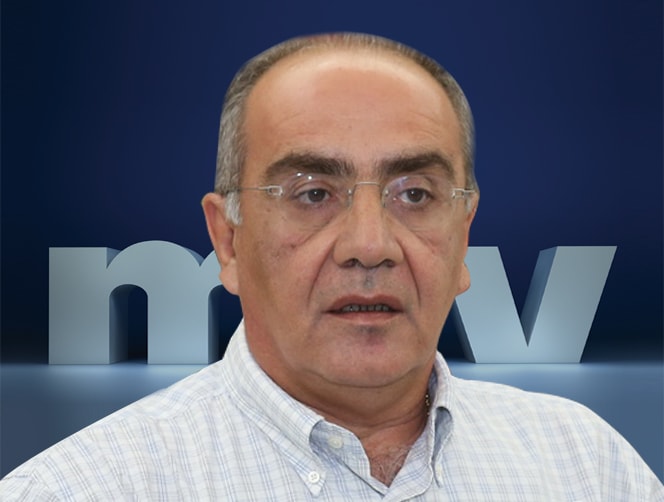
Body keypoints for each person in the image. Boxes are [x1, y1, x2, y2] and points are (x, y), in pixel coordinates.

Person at [1, 32, 662, 501]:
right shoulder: (81, 490)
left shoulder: (587, 468)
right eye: (313, 194)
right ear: (227, 240)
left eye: (415, 195)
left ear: (464, 234)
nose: (369, 245)